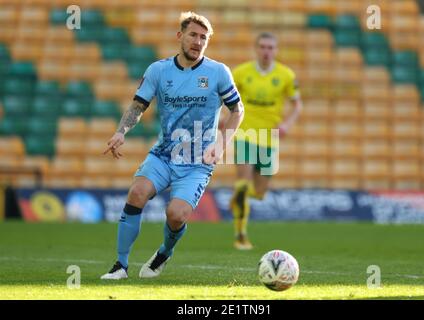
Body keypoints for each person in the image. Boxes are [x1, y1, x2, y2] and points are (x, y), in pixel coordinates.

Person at [100, 12, 244, 280]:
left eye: (204, 37)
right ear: (180, 36)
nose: (198, 41)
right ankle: (120, 265)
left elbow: (237, 110)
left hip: (197, 161)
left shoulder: (218, 72)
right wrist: (121, 132)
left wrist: (221, 144)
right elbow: (138, 106)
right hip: (164, 154)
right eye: (193, 35)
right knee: (136, 193)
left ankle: (164, 252)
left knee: (176, 215)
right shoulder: (158, 70)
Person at [228, 32, 302, 250]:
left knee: (259, 193)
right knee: (243, 182)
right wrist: (227, 118)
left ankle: (238, 199)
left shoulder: (286, 75)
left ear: (276, 50)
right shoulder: (241, 72)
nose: (266, 51)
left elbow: (297, 105)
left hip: (269, 138)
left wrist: (287, 124)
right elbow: (226, 97)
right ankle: (240, 234)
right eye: (262, 46)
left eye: (270, 47)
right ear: (256, 49)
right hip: (245, 133)